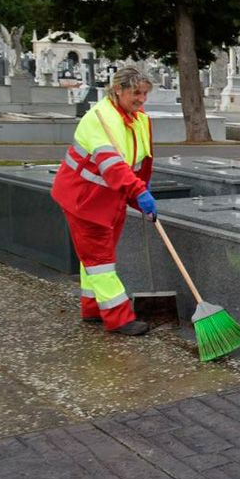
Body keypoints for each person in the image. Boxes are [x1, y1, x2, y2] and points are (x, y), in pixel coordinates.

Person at [51, 66, 158, 336]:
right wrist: (138, 192)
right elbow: (112, 166)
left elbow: (140, 162)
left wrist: (139, 193)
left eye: (145, 93)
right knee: (100, 259)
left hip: (112, 198)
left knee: (97, 258)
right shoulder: (99, 119)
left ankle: (93, 308)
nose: (141, 99)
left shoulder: (138, 118)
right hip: (84, 199)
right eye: (136, 93)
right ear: (118, 90)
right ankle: (118, 317)